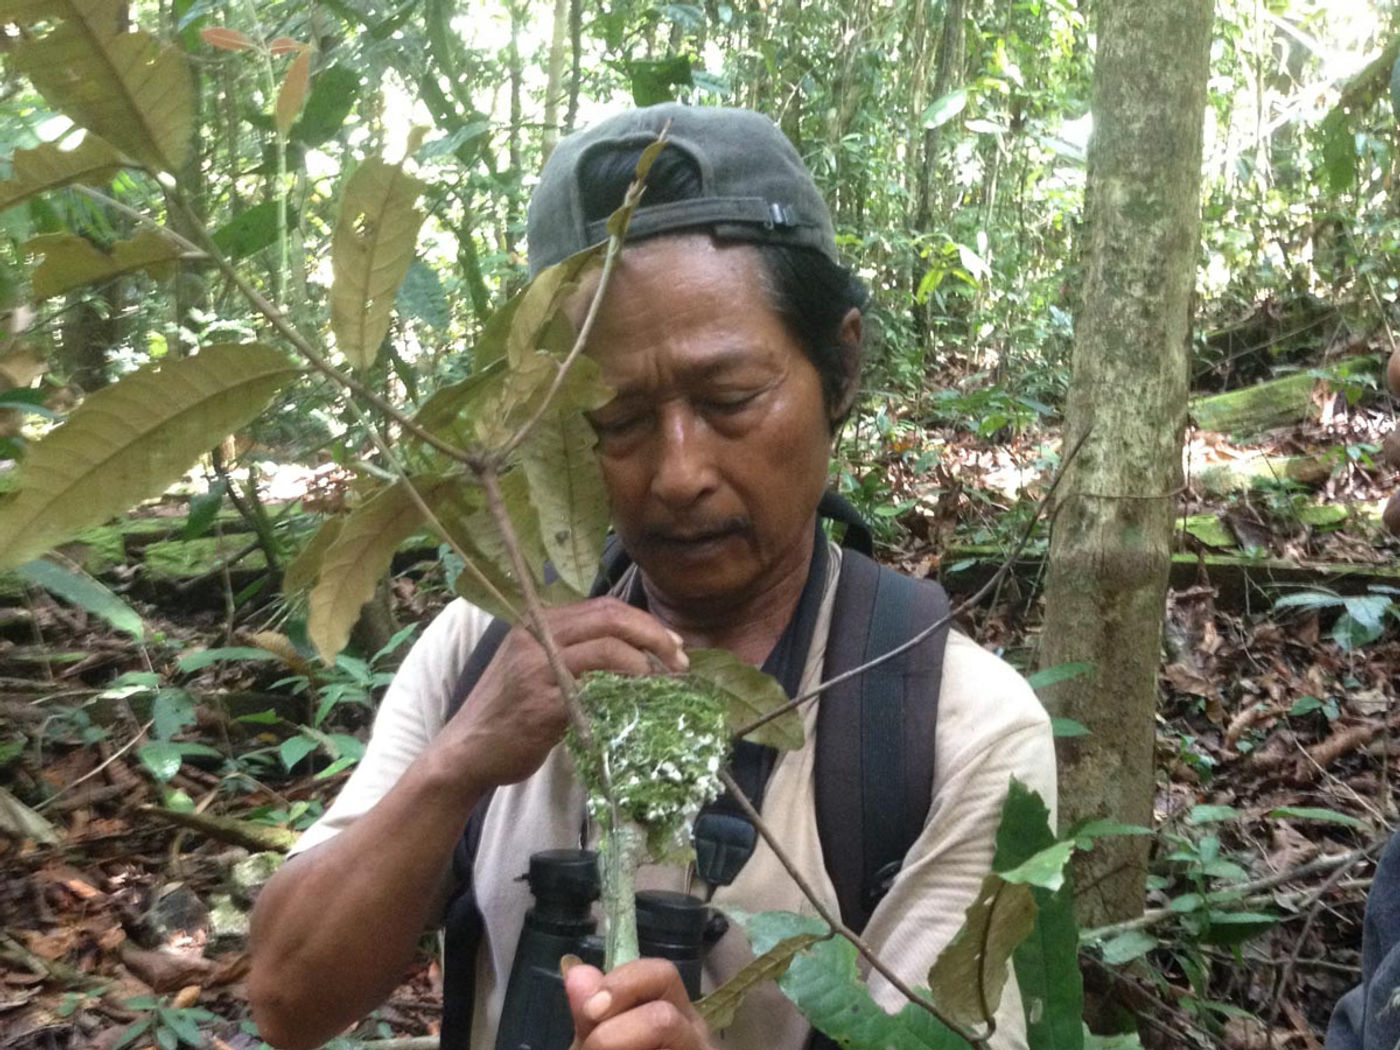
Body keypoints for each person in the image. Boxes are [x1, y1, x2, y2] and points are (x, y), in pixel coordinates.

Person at [247, 103, 1056, 1050]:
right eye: (619, 421)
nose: (678, 473)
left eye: (731, 400)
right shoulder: (485, 647)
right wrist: (461, 762)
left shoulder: (954, 729)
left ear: (840, 368)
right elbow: (288, 1000)